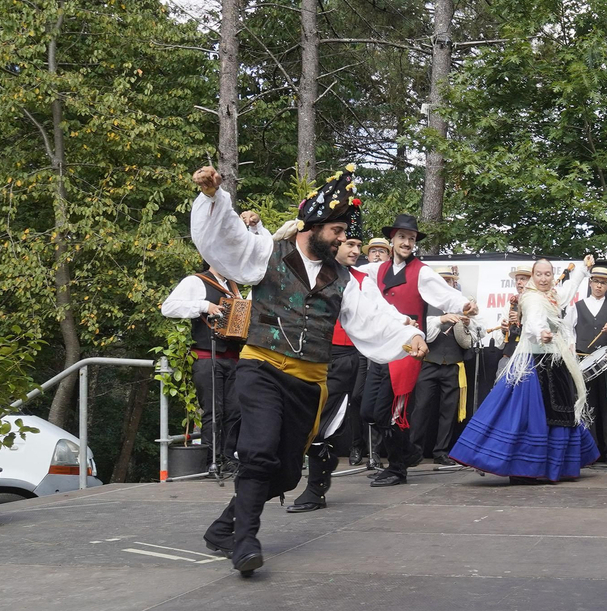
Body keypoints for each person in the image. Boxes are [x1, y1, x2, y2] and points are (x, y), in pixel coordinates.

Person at [187, 164, 426, 576]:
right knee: (258, 452)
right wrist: (212, 197)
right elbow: (225, 237)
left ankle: (224, 527)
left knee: (282, 474)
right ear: (312, 226)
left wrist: (407, 336)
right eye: (336, 232)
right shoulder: (267, 254)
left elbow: (372, 316)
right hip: (261, 368)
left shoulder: (345, 280)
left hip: (308, 382)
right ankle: (245, 541)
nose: (341, 240)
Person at [450, 256, 598, 482]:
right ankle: (524, 466)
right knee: (527, 415)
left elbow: (569, 291)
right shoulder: (530, 298)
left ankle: (552, 466)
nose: (543, 278)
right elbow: (533, 322)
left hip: (554, 360)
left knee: (559, 413)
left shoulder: (553, 296)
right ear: (533, 276)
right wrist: (541, 333)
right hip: (532, 363)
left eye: (548, 274)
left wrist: (582, 269)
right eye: (539, 274)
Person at [363, 213, 477, 488]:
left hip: (406, 349)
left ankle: (397, 467)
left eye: (411, 239)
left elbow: (445, 294)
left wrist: (464, 305)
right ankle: (408, 453)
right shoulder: (375, 270)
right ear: (392, 239)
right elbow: (350, 275)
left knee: (393, 412)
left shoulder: (421, 272)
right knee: (368, 409)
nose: (407, 242)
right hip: (380, 347)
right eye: (402, 237)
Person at [287, 234, 372, 513]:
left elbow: (375, 316)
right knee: (301, 418)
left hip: (343, 357)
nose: (355, 250)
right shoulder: (307, 271)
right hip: (307, 355)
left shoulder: (361, 280)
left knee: (322, 422)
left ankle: (315, 488)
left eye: (358, 246)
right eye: (350, 244)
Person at [159, 260, 245, 476]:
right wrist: (203, 306)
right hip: (208, 357)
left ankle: (228, 458)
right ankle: (211, 462)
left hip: (234, 358)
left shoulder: (234, 287)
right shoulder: (196, 281)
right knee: (213, 412)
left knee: (234, 411)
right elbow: (168, 308)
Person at [566, 265, 607, 457]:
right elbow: (566, 330)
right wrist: (571, 345)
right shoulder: (577, 306)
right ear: (590, 283)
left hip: (606, 364)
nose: (599, 286)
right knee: (586, 405)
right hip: (582, 362)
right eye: (596, 281)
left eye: (603, 283)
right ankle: (589, 450)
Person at [413, 265, 476, 469]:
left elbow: (475, 335)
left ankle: (441, 451)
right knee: (420, 408)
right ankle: (413, 451)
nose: (445, 284)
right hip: (429, 363)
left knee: (448, 411)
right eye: (442, 281)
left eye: (448, 281)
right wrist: (441, 319)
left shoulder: (463, 303)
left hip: (454, 364)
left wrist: (466, 325)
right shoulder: (423, 304)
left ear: (454, 283)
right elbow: (423, 331)